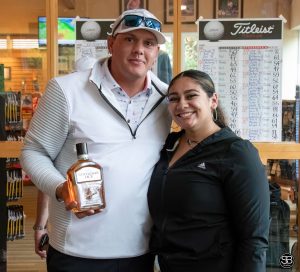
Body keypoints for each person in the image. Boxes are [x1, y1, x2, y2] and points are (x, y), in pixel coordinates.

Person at [20, 8, 171, 272]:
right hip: (76, 251)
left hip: (140, 250)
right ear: (111, 44)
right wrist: (60, 188)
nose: (139, 50)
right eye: (129, 39)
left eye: (148, 43)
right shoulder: (66, 90)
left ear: (156, 52)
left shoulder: (168, 100)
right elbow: (33, 151)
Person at [147, 69, 270, 272]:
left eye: (191, 95)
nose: (182, 104)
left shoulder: (236, 152)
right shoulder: (168, 144)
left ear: (213, 100)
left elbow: (254, 238)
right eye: (174, 98)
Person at [32, 56, 98, 260]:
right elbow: (45, 170)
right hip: (70, 235)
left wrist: (40, 226)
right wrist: (41, 226)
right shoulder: (64, 105)